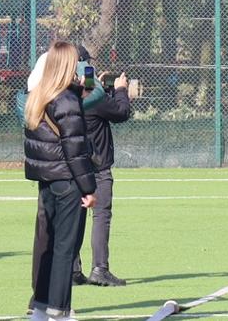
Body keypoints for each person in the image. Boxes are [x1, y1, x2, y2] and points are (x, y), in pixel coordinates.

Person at [24, 42, 97, 321]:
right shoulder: (65, 101)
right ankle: (59, 311)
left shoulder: (40, 96)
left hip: (48, 181)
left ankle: (41, 309)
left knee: (50, 245)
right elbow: (75, 149)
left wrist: (79, 91)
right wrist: (89, 189)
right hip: (68, 182)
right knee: (66, 249)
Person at [70, 46, 130, 288]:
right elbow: (121, 112)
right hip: (98, 165)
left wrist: (99, 88)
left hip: (73, 165)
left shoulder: (63, 96)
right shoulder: (93, 98)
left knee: (74, 217)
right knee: (101, 215)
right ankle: (100, 268)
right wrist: (120, 90)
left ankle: (73, 269)